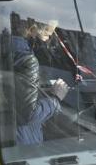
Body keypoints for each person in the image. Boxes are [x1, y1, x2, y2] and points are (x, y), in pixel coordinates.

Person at [11, 16, 68, 144]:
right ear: (33, 30)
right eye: (47, 34)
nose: (48, 39)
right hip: (24, 141)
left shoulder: (2, 47)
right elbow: (28, 115)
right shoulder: (27, 60)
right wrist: (55, 99)